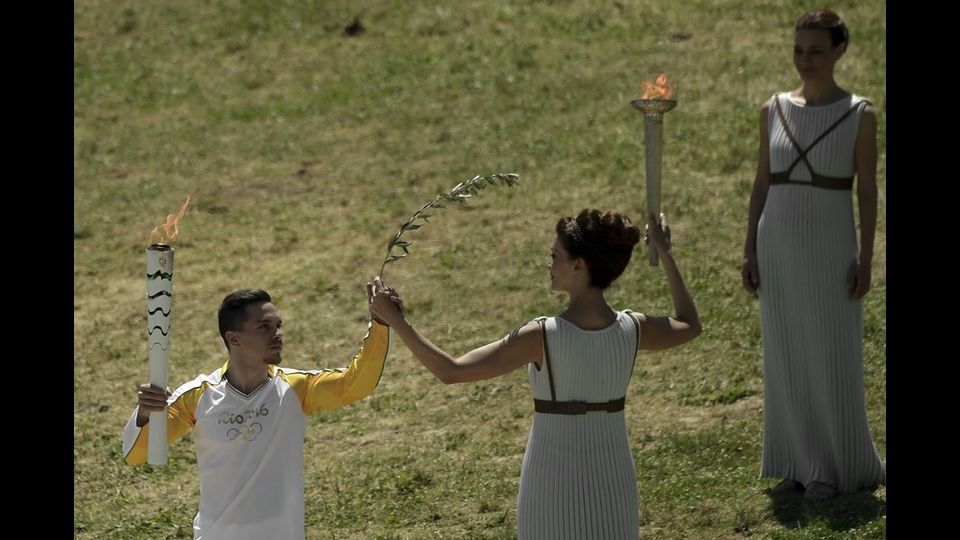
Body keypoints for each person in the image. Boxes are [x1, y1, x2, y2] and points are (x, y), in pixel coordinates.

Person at [371, 209, 700, 539]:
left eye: (555, 255)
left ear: (579, 264)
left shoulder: (541, 336)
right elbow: (690, 324)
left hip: (552, 487)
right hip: (614, 484)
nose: (549, 263)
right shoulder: (633, 328)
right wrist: (666, 255)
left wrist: (396, 320)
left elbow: (451, 371)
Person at [740, 9, 885, 500]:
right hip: (776, 240)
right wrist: (749, 249)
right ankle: (796, 464)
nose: (806, 60)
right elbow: (762, 181)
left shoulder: (859, 115)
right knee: (785, 352)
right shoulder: (773, 109)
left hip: (830, 243)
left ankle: (834, 466)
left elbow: (867, 189)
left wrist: (866, 256)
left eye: (816, 51)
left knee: (829, 350)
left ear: (840, 50)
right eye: (799, 50)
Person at [122, 287, 390, 539]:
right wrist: (146, 413)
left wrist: (379, 325)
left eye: (277, 326)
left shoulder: (295, 388)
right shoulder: (198, 397)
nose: (277, 334)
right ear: (234, 338)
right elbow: (137, 454)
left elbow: (355, 384)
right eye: (264, 327)